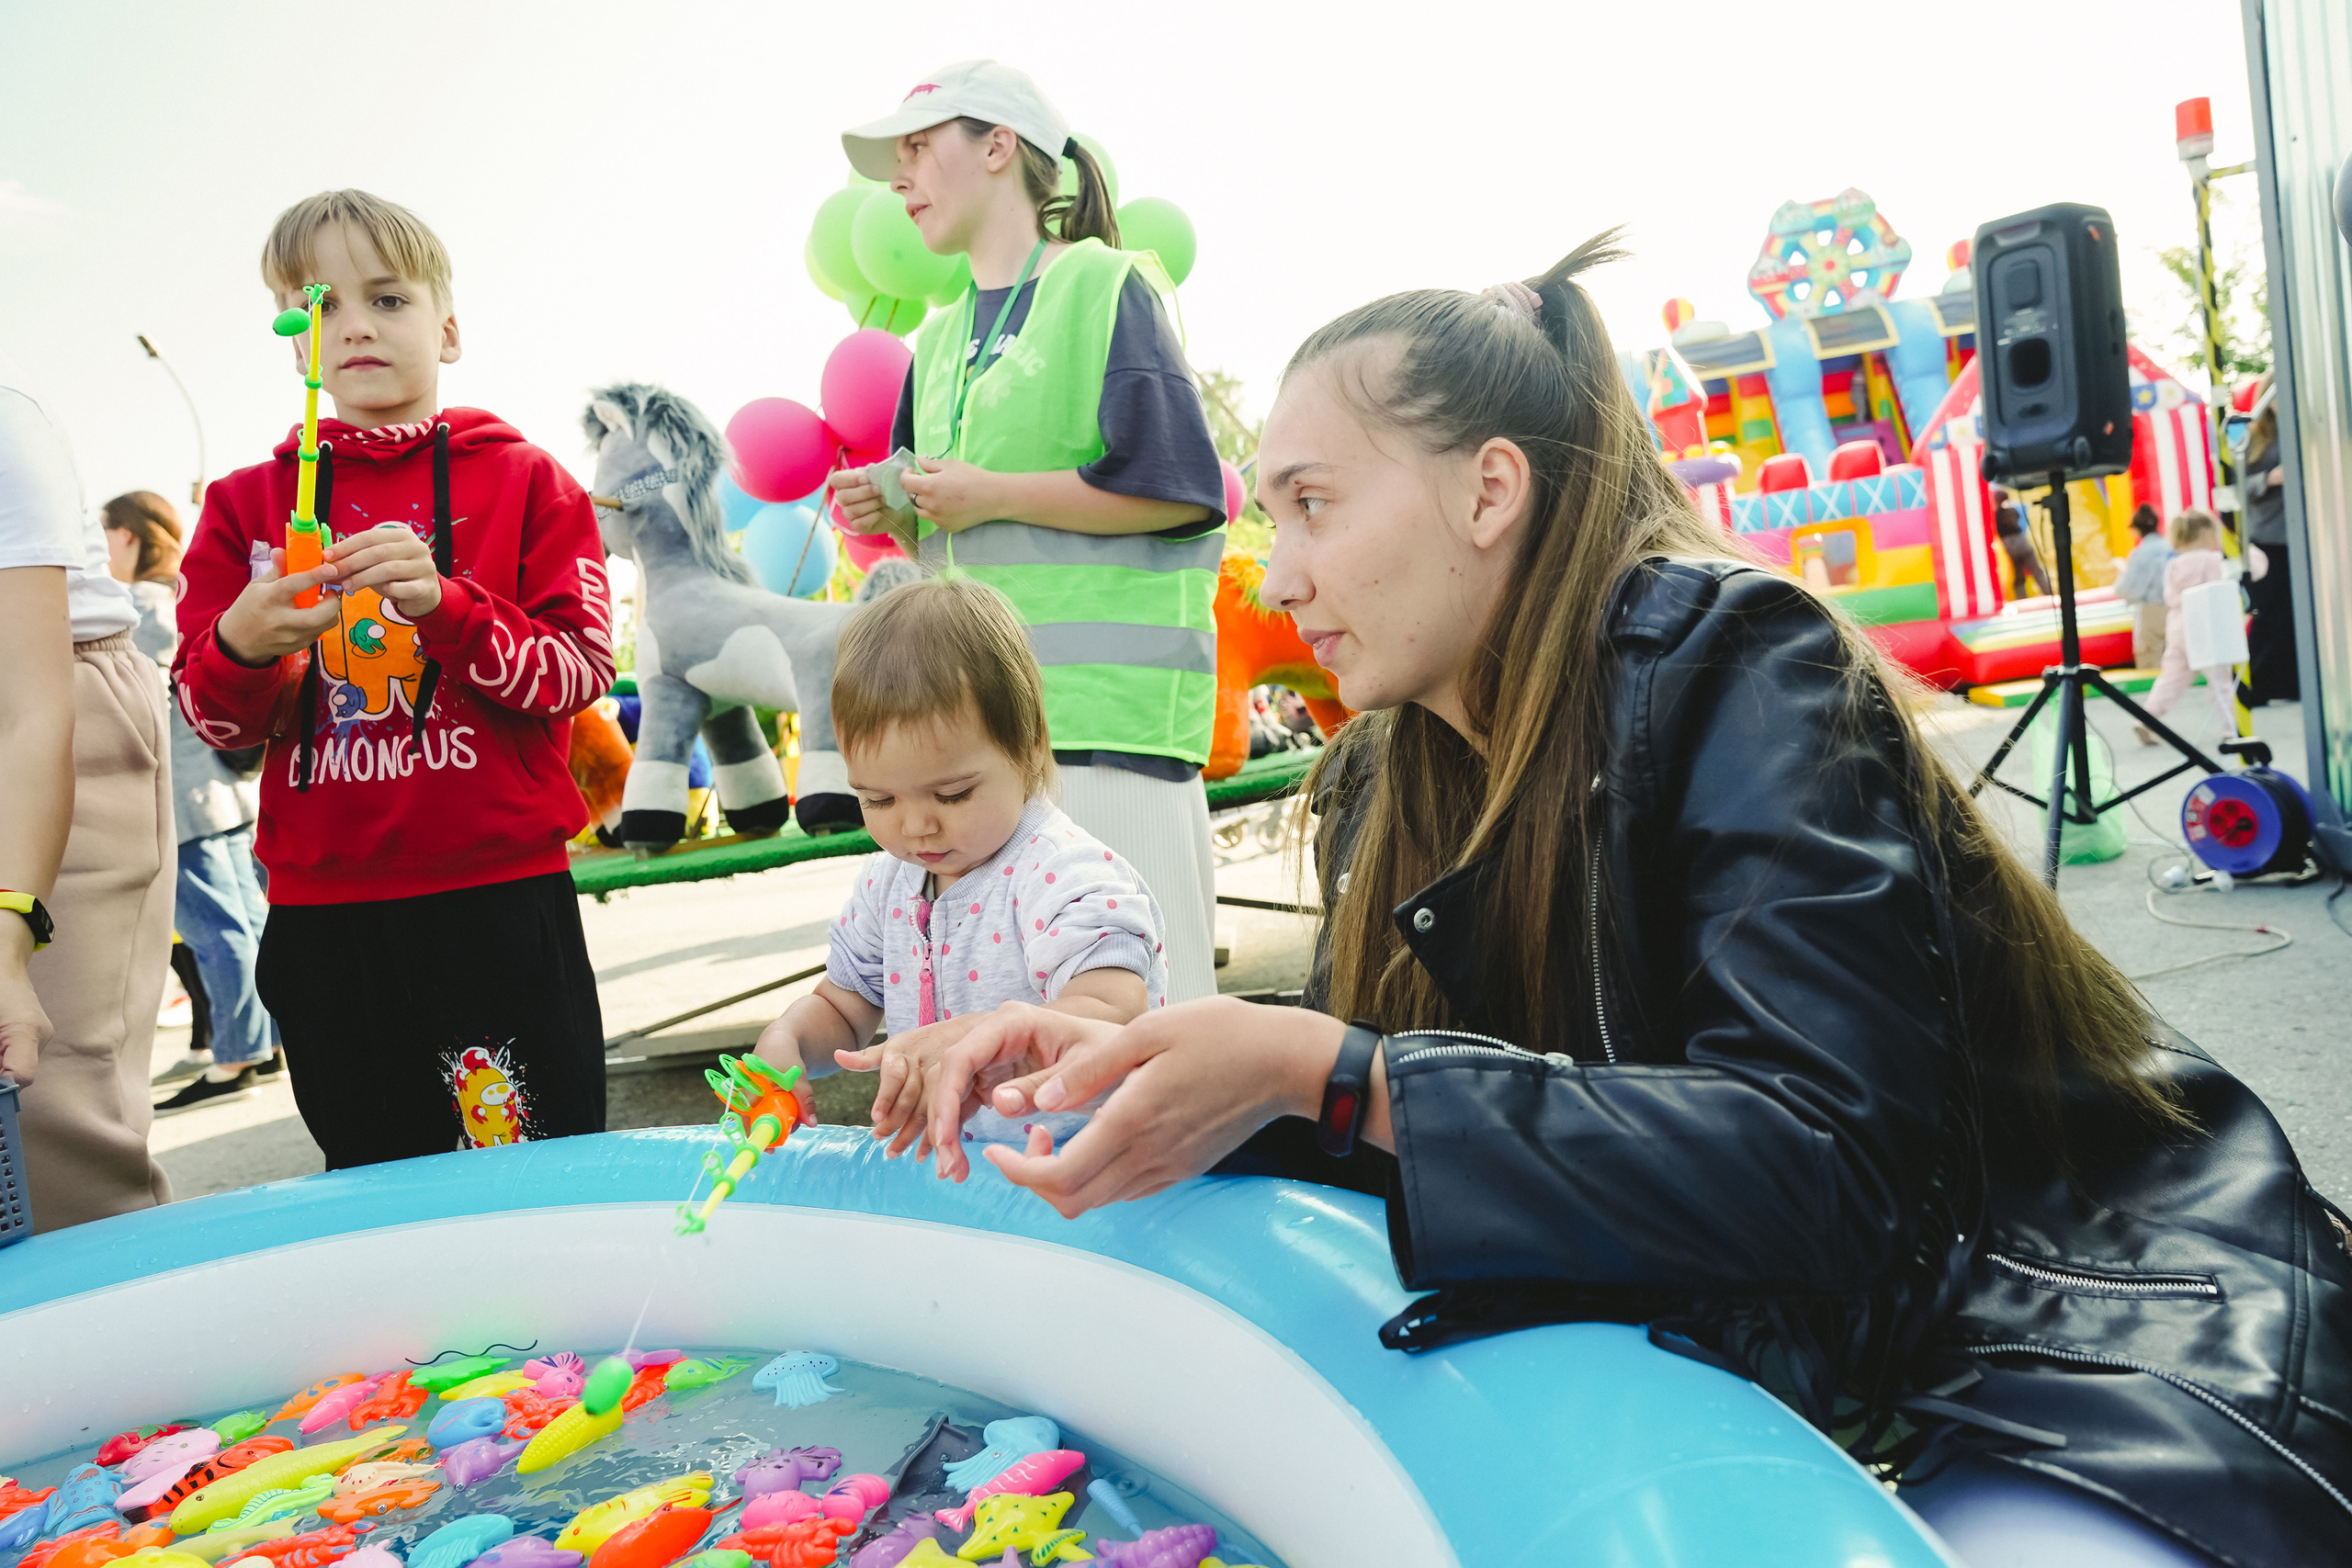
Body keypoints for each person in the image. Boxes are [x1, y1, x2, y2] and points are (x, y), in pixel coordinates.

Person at [922, 241, 2352, 1565]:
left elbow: (1826, 1167)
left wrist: (1334, 1073)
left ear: (1490, 491)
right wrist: (1136, 1068)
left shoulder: (1741, 661)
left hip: (2079, 1335)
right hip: (1837, 1343)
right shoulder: (1389, 772)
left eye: (1313, 504)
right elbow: (1488, 1112)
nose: (1279, 572)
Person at [173, 190, 615, 1168]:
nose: (357, 326)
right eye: (322, 305)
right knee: (376, 1178)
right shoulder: (246, 507)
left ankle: (560, 1330)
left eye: (389, 299)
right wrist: (244, 644)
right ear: (296, 343)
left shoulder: (530, 482)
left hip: (496, 902)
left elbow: (579, 669)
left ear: (448, 329)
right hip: (326, 922)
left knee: (537, 1170)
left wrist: (450, 608)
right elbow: (215, 722)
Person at [827, 61, 1228, 1003]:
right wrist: (895, 511)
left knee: (1144, 1037)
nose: (899, 177)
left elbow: (1180, 490)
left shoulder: (1103, 284)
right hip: (977, 745)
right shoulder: (933, 340)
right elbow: (954, 531)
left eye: (919, 147)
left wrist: (990, 493)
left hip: (1107, 731)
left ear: (999, 147)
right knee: (995, 1042)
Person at [754, 576, 1165, 1156]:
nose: (916, 826)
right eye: (878, 800)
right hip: (965, 1173)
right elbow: (843, 1010)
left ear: (1028, 746)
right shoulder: (887, 886)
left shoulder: (1063, 874)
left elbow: (1109, 1008)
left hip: (1087, 1169)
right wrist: (789, 1038)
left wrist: (977, 1036)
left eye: (951, 795)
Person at [0, 354, 175, 1230]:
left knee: (49, 1120)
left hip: (49, 711)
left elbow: (32, 717)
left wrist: (8, 937)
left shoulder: (6, 421)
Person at [101, 490, 283, 1111]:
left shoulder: (131, 610)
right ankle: (266, 1039)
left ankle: (237, 1057)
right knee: (251, 922)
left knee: (216, 931)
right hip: (227, 787)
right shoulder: (176, 598)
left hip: (182, 797)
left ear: (126, 536)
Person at [2132, 508, 2238, 746]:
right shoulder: (2211, 560)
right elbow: (2234, 575)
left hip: (2179, 627)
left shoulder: (2174, 564)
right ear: (2205, 535)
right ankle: (2230, 729)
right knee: (2220, 680)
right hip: (2207, 628)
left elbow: (2170, 596)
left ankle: (2147, 717)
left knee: (2172, 678)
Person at [2239, 380, 2299, 703]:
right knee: (2269, 611)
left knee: (2294, 611)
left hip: (2300, 535)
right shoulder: (2252, 436)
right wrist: (2269, 478)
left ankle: (2290, 683)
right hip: (2267, 536)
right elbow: (2235, 485)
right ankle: (2254, 684)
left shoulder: (2302, 427)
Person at [2112, 502, 2172, 670]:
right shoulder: (2171, 548)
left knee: (2150, 659)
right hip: (2175, 607)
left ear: (2136, 530)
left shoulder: (2139, 554)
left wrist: (2120, 573)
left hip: (2152, 609)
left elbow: (2128, 589)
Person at [1991, 492, 2052, 600]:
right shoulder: (2012, 510)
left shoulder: (1995, 515)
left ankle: (2022, 599)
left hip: (2009, 547)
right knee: (2037, 572)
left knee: (2018, 577)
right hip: (2022, 543)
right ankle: (2049, 594)